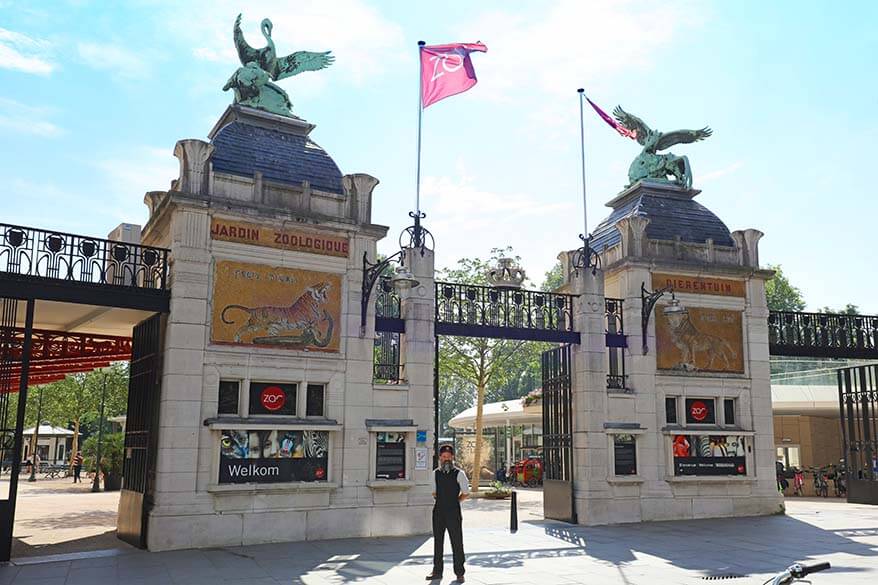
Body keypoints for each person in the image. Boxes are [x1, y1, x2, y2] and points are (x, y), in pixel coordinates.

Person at [426, 444, 469, 583]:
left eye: (448, 457)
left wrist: (455, 502)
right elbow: (433, 492)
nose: (446, 459)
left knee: (457, 541)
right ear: (440, 458)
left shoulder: (459, 473)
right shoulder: (435, 473)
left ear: (453, 458)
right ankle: (437, 571)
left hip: (453, 512)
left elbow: (465, 493)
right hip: (438, 512)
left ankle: (460, 572)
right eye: (444, 457)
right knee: (438, 542)